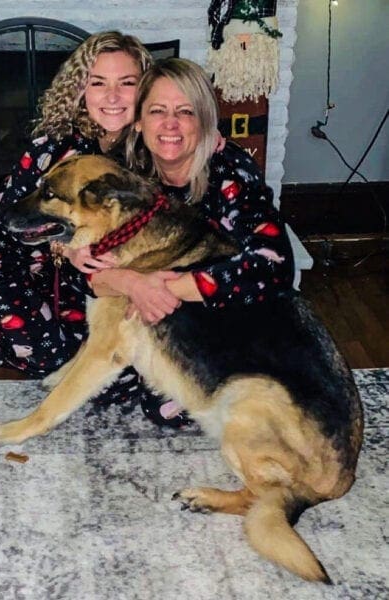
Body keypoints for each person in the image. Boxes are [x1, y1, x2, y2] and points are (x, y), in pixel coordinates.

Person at [0, 31, 189, 426]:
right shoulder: (56, 144)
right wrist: (72, 252)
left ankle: (10, 305)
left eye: (127, 83)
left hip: (69, 258)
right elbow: (14, 217)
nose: (112, 96)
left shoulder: (149, 145)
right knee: (43, 358)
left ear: (146, 88)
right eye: (98, 83)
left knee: (94, 366)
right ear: (80, 89)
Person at [82, 57, 294, 422]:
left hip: (228, 310)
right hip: (153, 300)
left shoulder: (230, 170)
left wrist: (172, 289)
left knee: (162, 408)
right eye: (157, 110)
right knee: (104, 384)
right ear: (138, 121)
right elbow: (84, 263)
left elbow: (275, 268)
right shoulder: (125, 171)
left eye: (186, 112)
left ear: (205, 121)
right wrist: (132, 282)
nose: (170, 124)